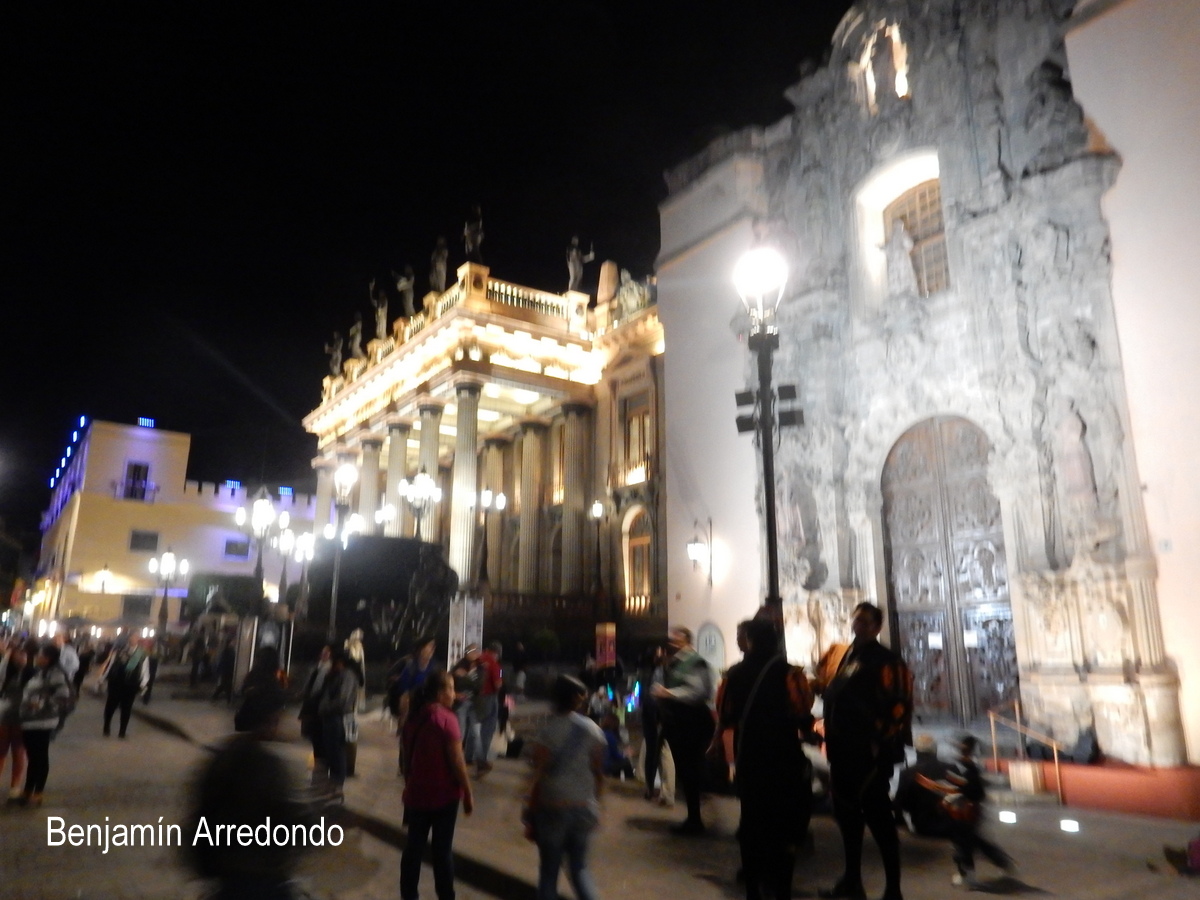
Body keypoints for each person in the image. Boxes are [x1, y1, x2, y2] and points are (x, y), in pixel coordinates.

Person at [185, 666, 313, 900]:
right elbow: (288, 821)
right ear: (269, 720)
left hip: (224, 874)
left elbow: (201, 817)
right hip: (261, 876)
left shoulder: (221, 756)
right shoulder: (268, 764)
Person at [818, 603, 913, 900]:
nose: (857, 625)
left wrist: (877, 740)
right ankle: (852, 881)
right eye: (856, 619)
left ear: (877, 627)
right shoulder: (848, 655)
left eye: (864, 621)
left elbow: (899, 707)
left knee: (879, 818)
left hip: (869, 753)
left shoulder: (887, 660)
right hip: (843, 748)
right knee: (847, 815)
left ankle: (893, 889)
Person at [718, 618, 814, 900]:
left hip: (750, 755)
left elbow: (725, 714)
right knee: (783, 824)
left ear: (750, 640)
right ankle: (781, 888)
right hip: (784, 757)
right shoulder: (790, 674)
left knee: (751, 823)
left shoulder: (733, 675)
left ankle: (752, 889)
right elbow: (802, 711)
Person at [528, 674, 606, 900]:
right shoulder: (592, 729)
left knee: (549, 873)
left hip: (553, 806)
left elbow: (538, 775)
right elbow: (599, 773)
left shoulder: (546, 731)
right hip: (583, 807)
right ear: (576, 699)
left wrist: (530, 810)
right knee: (580, 869)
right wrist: (597, 804)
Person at [400, 671, 475, 900]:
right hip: (443, 797)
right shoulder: (446, 719)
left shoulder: (414, 717)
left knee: (414, 848)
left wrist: (410, 783)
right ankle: (446, 896)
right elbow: (458, 762)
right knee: (442, 853)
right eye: (451, 689)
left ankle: (409, 895)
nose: (454, 694)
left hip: (416, 795)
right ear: (441, 693)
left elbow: (405, 758)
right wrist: (468, 793)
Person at [919, 734, 1014, 889]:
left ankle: (970, 875)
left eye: (961, 746)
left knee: (964, 842)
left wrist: (935, 787)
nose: (958, 748)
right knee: (971, 840)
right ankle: (998, 862)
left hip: (966, 810)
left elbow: (960, 788)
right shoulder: (967, 765)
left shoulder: (967, 766)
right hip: (968, 808)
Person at [652, 626, 715, 835]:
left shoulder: (695, 663)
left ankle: (696, 820)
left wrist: (668, 693)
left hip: (692, 724)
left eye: (676, 639)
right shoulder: (676, 663)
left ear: (687, 641)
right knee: (686, 772)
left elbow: (700, 692)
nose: (671, 643)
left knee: (691, 771)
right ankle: (693, 817)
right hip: (679, 724)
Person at [17, 643, 73, 807]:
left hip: (42, 722)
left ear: (48, 658)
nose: (37, 657)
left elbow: (63, 697)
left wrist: (40, 703)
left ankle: (38, 793)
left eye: (40, 655)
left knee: (40, 757)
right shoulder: (41, 672)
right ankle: (28, 790)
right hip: (30, 721)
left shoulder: (56, 674)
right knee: (33, 758)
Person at [316, 645, 358, 804]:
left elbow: (342, 700)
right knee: (331, 751)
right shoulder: (336, 675)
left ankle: (337, 786)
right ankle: (333, 785)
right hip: (331, 718)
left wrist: (325, 707)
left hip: (339, 718)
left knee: (338, 752)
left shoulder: (347, 676)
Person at [394, 635, 440, 774]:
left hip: (429, 709)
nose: (432, 649)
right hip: (412, 709)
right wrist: (403, 714)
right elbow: (404, 690)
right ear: (421, 648)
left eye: (433, 646)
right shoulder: (411, 666)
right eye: (429, 646)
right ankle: (405, 766)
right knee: (409, 739)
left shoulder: (435, 666)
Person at [297, 646, 331, 788]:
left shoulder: (329, 670)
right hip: (311, 707)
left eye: (327, 653)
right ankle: (319, 774)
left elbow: (319, 689)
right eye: (322, 652)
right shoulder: (317, 667)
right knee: (315, 740)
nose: (323, 654)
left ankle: (320, 776)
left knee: (320, 742)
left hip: (319, 709)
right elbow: (310, 685)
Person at [0, 639, 30, 802]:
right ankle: (14, 787)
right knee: (2, 751)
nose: (23, 658)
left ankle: (15, 787)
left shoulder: (30, 672)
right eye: (20, 655)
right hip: (4, 716)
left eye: (24, 655)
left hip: (22, 718)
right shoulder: (6, 672)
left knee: (18, 752)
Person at [103, 636, 149, 738]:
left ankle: (122, 732)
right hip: (116, 683)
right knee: (110, 707)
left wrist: (143, 683)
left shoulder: (141, 654)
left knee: (127, 708)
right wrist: (103, 678)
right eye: (132, 638)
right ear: (128, 640)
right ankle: (106, 727)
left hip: (131, 684)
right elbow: (111, 665)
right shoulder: (119, 652)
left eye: (135, 638)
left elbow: (144, 670)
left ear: (137, 640)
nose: (133, 640)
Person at [474, 641, 503, 776]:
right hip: (489, 698)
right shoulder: (494, 664)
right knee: (487, 730)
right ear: (496, 653)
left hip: (476, 698)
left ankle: (470, 758)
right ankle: (482, 760)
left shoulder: (478, 659)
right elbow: (498, 684)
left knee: (474, 730)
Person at [451, 644, 482, 766]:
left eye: (476, 650)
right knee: (461, 731)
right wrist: (455, 693)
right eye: (471, 650)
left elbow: (479, 685)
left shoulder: (481, 667)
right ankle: (457, 757)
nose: (474, 653)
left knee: (475, 732)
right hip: (461, 703)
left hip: (475, 703)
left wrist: (467, 676)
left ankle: (471, 758)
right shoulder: (458, 666)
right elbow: (450, 680)